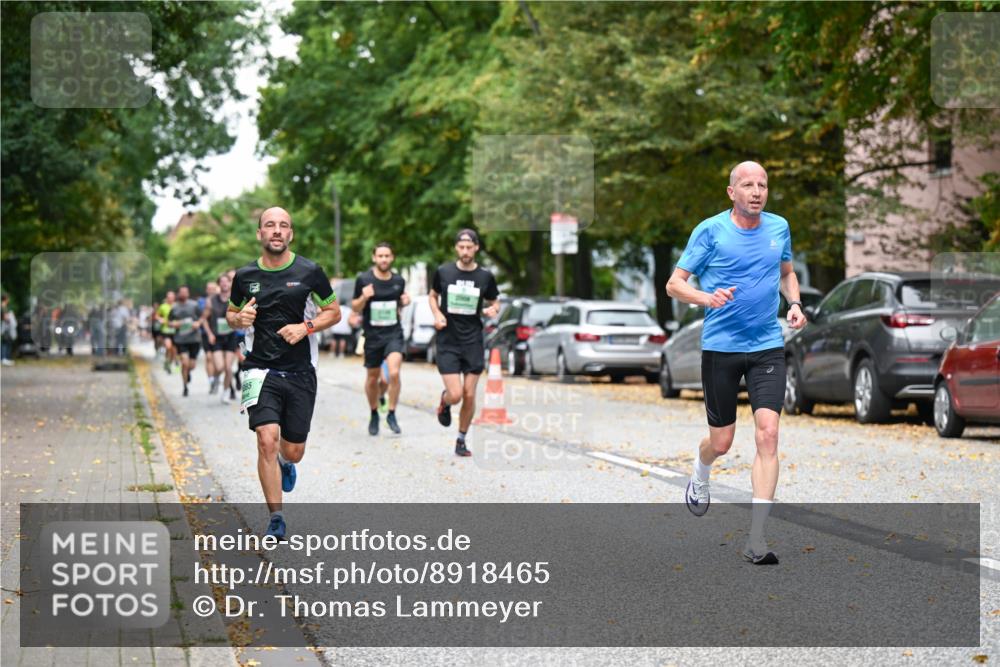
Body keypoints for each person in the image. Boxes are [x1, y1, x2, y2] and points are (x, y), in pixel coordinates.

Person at [666, 160, 807, 565]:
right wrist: (707, 298)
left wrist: (794, 303)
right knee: (722, 442)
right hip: (722, 347)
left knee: (768, 434)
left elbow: (786, 273)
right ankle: (700, 472)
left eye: (762, 184)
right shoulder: (710, 230)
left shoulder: (778, 227)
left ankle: (757, 538)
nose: (757, 191)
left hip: (765, 345)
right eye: (747, 185)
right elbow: (675, 284)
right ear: (732, 192)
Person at [227, 206, 340, 538]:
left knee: (292, 450)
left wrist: (305, 327)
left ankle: (287, 463)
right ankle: (276, 517)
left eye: (283, 226)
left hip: (301, 370)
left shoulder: (309, 271)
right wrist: (239, 319)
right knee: (266, 440)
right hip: (258, 369)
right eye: (269, 225)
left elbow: (333, 312)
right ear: (260, 233)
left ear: (290, 234)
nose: (276, 230)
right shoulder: (245, 276)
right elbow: (232, 314)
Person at [429, 229, 500, 457]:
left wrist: (493, 309)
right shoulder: (443, 272)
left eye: (470, 247)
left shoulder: (485, 277)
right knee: (456, 394)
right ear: (456, 248)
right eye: (462, 247)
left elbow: (495, 301)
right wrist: (437, 314)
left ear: (476, 248)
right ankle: (445, 401)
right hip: (448, 340)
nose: (466, 251)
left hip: (473, 340)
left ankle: (461, 439)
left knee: (470, 395)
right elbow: (432, 295)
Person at [351, 242, 410, 436]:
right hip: (373, 335)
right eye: (380, 256)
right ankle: (374, 412)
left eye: (387, 256)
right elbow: (355, 307)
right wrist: (364, 297)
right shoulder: (364, 279)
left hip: (394, 333)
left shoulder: (399, 281)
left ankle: (391, 413)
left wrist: (405, 302)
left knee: (393, 373)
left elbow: (400, 304)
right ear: (374, 258)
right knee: (373, 378)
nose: (384, 259)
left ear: (392, 258)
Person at [203, 273, 239, 403]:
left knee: (228, 367)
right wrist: (210, 334)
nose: (224, 284)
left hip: (230, 337)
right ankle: (216, 378)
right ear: (219, 284)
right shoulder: (211, 300)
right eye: (222, 282)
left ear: (230, 284)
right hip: (217, 337)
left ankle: (225, 392)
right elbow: (204, 320)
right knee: (219, 367)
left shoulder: (236, 298)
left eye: (227, 281)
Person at [168, 286, 201, 397]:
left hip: (194, 338)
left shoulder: (194, 305)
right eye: (181, 292)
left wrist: (198, 323)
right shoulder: (174, 307)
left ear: (188, 293)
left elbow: (202, 318)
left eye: (185, 292)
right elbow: (169, 322)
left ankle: (188, 373)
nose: (183, 294)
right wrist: (175, 324)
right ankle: (185, 387)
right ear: (179, 294)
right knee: (184, 363)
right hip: (181, 339)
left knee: (191, 365)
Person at [201, 281, 220, 392]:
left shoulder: (220, 300)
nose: (211, 290)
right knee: (209, 357)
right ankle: (211, 380)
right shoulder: (202, 302)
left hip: (219, 333)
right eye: (209, 288)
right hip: (205, 333)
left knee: (217, 361)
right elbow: (202, 317)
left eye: (213, 288)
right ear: (206, 290)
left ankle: (216, 376)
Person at [156, 292, 177, 373]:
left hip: (175, 330)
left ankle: (168, 363)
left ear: (174, 298)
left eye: (172, 297)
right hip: (165, 330)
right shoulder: (163, 306)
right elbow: (157, 315)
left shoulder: (177, 306)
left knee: (174, 350)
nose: (170, 298)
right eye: (169, 297)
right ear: (167, 298)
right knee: (168, 347)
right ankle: (167, 361)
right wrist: (160, 319)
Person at [1, 295, 16, 366]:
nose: (9, 300)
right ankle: (3, 358)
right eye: (8, 298)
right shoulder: (3, 307)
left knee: (6, 342)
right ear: (6, 299)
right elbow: (5, 317)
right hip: (5, 328)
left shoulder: (4, 307)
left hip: (5, 328)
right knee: (5, 342)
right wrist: (11, 318)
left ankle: (5, 358)